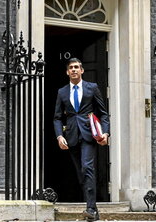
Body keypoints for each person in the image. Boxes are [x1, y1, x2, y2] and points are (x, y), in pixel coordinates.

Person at [53, 58, 110, 221]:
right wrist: (59, 136)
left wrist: (105, 133)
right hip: (71, 136)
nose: (74, 70)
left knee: (87, 168)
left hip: (88, 134)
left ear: (82, 70)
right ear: (67, 72)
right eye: (71, 68)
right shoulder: (62, 92)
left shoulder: (92, 88)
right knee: (81, 173)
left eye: (77, 67)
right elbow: (57, 117)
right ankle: (94, 210)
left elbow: (103, 113)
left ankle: (90, 209)